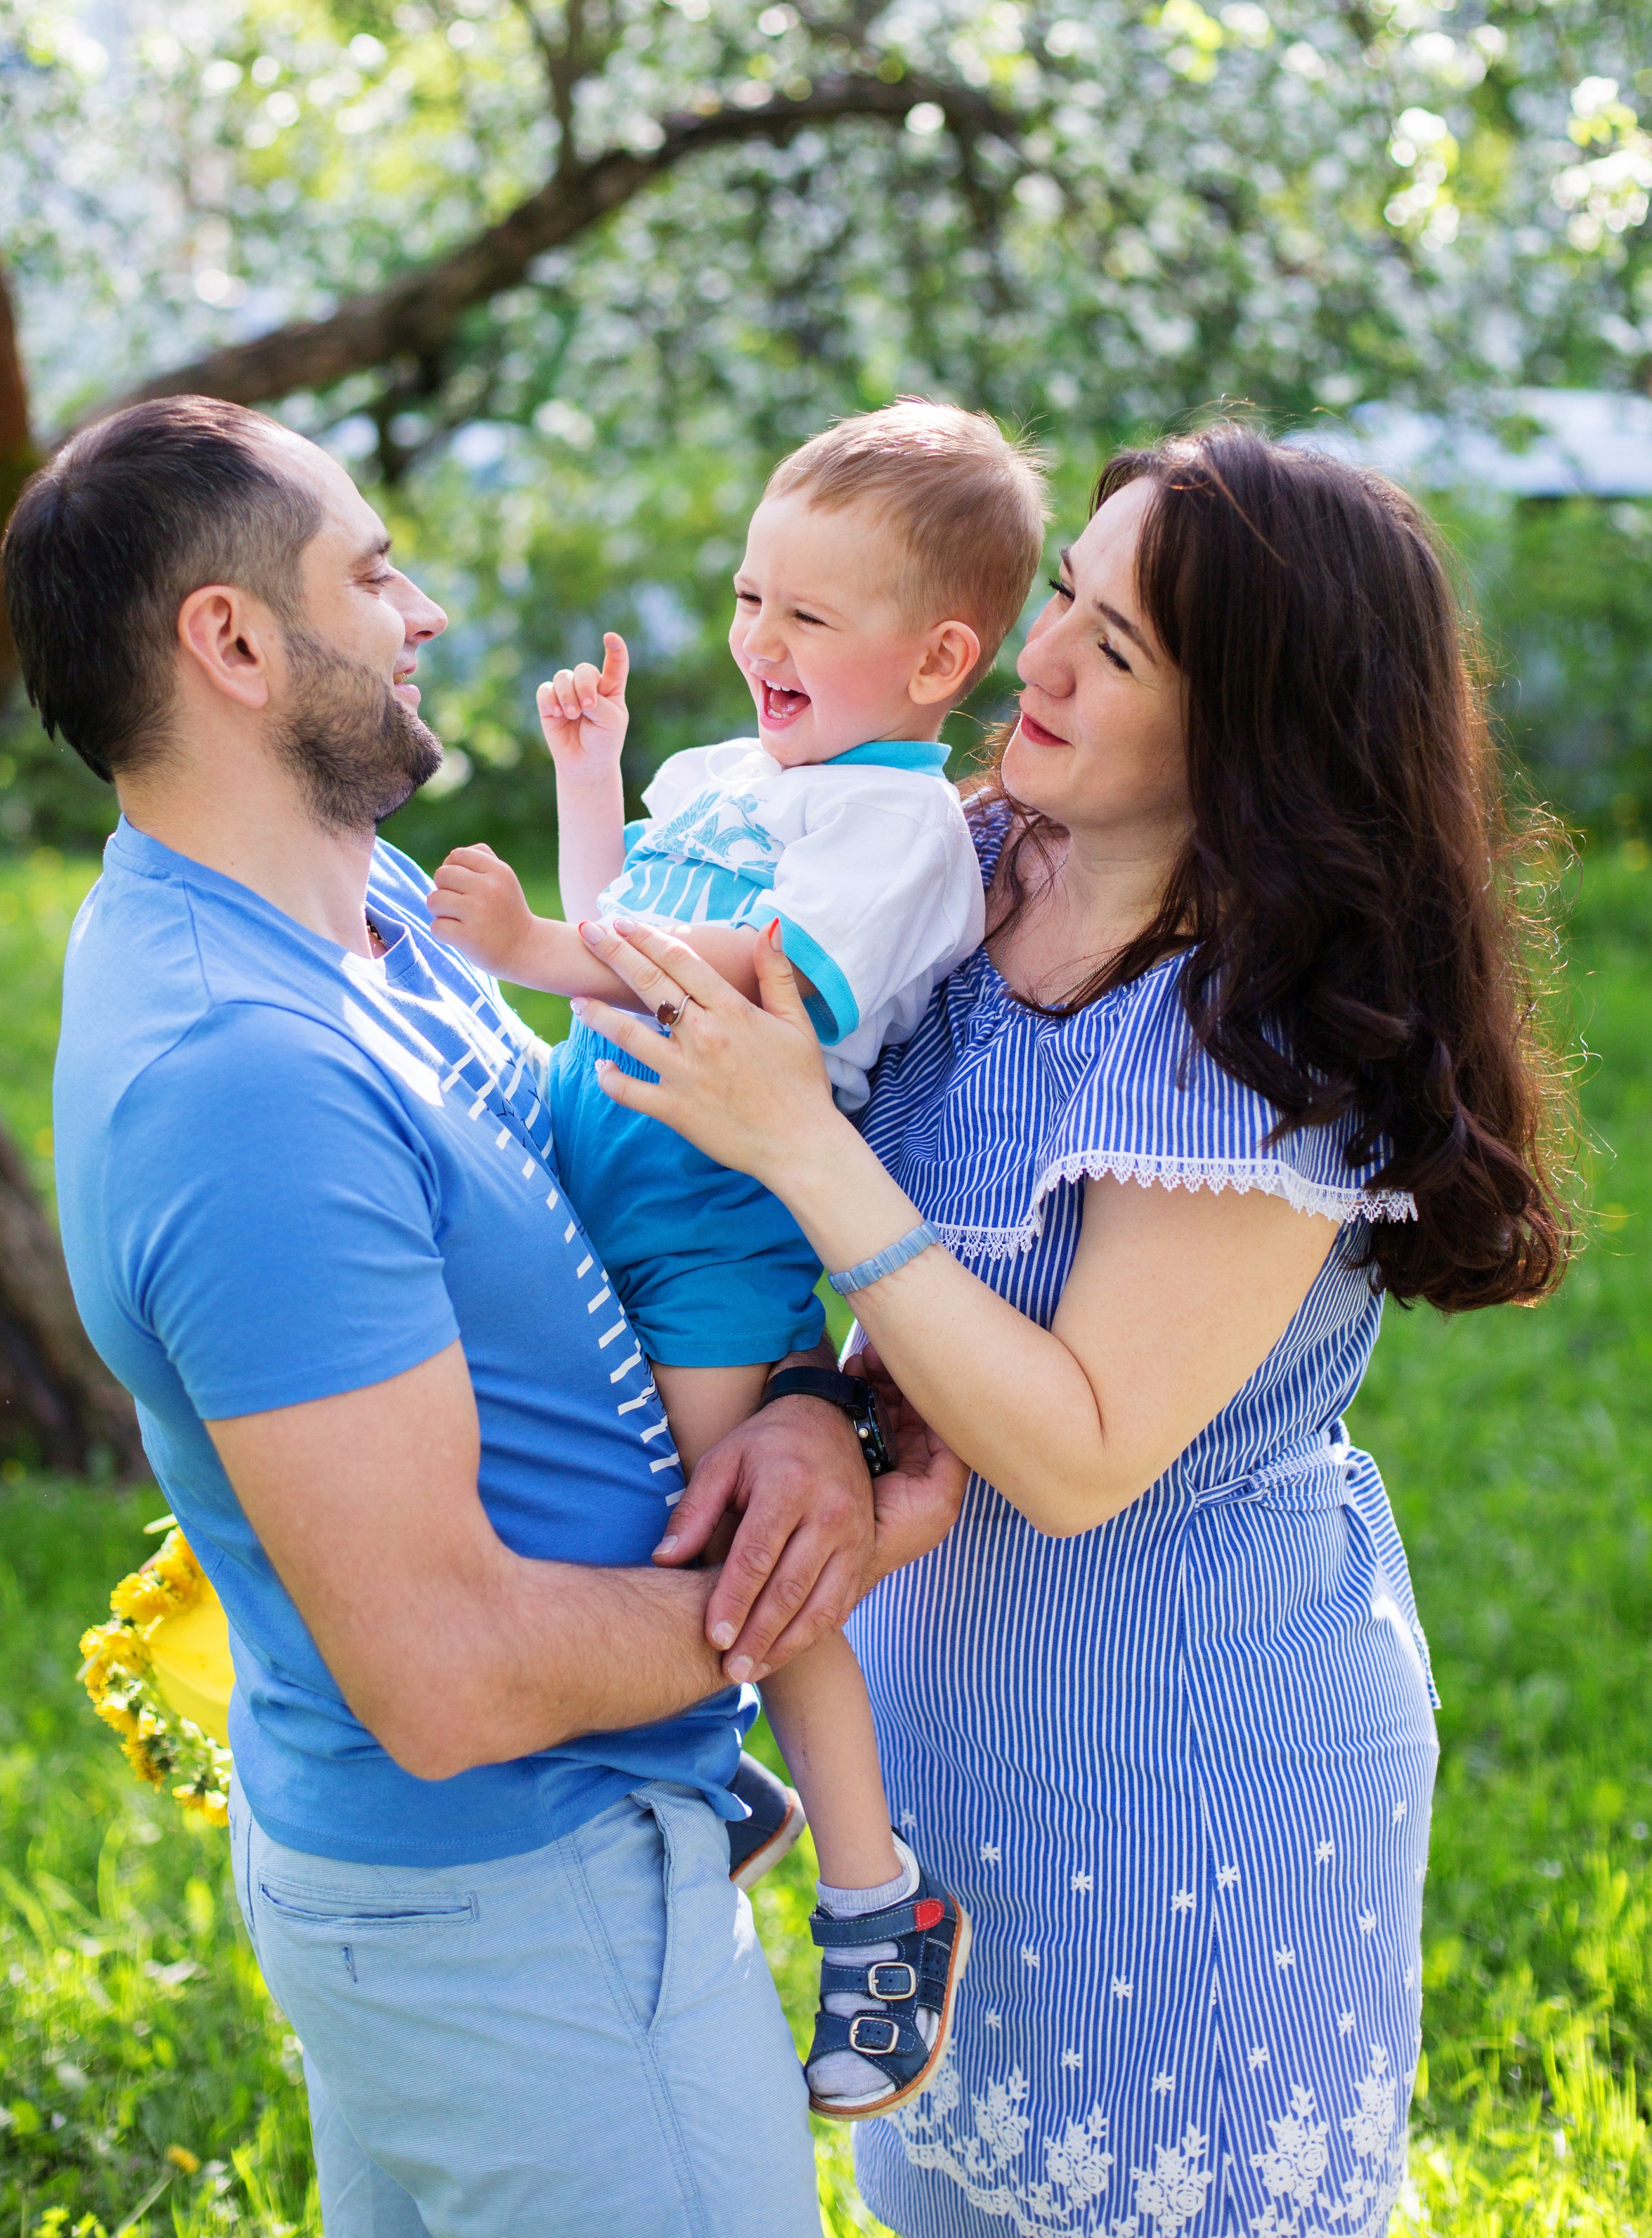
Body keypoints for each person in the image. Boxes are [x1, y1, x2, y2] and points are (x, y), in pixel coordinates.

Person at [558, 425, 1571, 2238]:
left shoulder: (1261, 1039)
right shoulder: (955, 865)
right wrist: (807, 1410)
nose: (1028, 661)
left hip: (1190, 1776)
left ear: (1252, 726)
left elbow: (1074, 1449)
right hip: (945, 1738)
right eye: (1058, 603)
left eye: (1109, 649)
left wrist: (795, 1136)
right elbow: (823, 1278)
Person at [1, 395, 966, 2238]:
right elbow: (444, 1679)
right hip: (522, 1913)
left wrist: (790, 1416)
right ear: (232, 643)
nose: (423, 609)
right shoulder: (238, 1074)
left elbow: (571, 1192)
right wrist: (821, 1567)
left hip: (547, 1869)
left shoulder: (354, 903)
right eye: (371, 572)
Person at [429, 403, 1046, 2116]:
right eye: (749, 596)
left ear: (936, 660)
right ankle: (735, 1791)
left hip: (713, 1229)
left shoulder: (897, 839)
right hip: (590, 1179)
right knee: (553, 1480)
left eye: (807, 618)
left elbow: (759, 986)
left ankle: (876, 1900)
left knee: (759, 1576)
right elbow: (627, 898)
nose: (758, 641)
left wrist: (548, 951)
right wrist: (588, 771)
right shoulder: (724, 777)